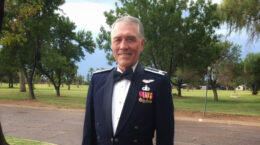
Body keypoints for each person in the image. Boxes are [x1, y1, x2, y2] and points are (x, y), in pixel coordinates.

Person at [82, 15, 174, 145]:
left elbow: (165, 138)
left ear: (142, 44)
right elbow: (88, 134)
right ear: (112, 44)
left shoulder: (158, 82)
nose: (123, 46)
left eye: (130, 39)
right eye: (117, 40)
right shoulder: (98, 80)